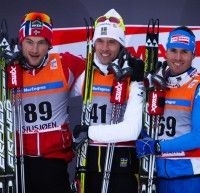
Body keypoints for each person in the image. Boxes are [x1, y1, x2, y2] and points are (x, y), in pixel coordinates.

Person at [12, 12, 85, 193]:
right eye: (29, 41)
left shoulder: (65, 64)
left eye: (41, 42)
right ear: (21, 42)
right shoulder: (8, 70)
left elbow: (96, 77)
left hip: (53, 162)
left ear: (49, 44)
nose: (34, 49)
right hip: (18, 161)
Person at [73, 9, 144, 193]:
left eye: (112, 42)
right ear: (94, 43)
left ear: (121, 44)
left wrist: (89, 131)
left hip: (122, 168)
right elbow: (53, 95)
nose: (105, 48)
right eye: (100, 41)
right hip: (88, 167)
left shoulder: (133, 77)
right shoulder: (85, 74)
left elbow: (131, 130)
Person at [136, 26, 200, 193]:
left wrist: (157, 146)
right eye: (173, 50)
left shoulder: (197, 86)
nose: (178, 57)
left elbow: (198, 137)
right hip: (155, 175)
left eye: (184, 52)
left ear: (193, 55)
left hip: (188, 177)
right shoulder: (155, 82)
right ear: (166, 52)